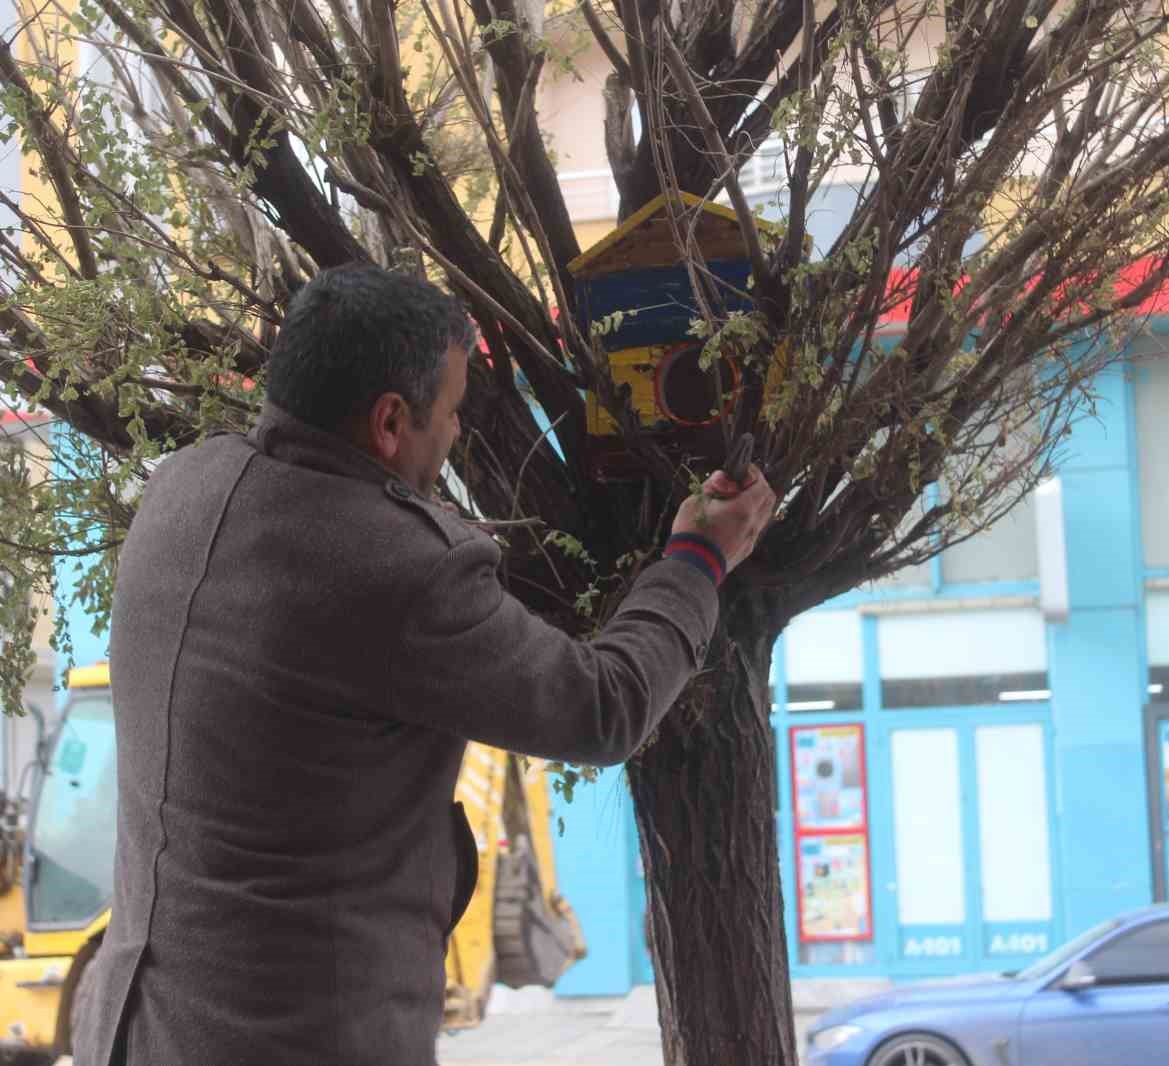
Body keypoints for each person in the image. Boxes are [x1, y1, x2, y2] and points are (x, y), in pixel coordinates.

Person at [72, 263, 777, 1066]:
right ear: (389, 421)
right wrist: (696, 558)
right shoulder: (399, 571)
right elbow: (603, 706)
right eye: (452, 412)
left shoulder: (182, 487)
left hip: (136, 1031)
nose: (454, 437)